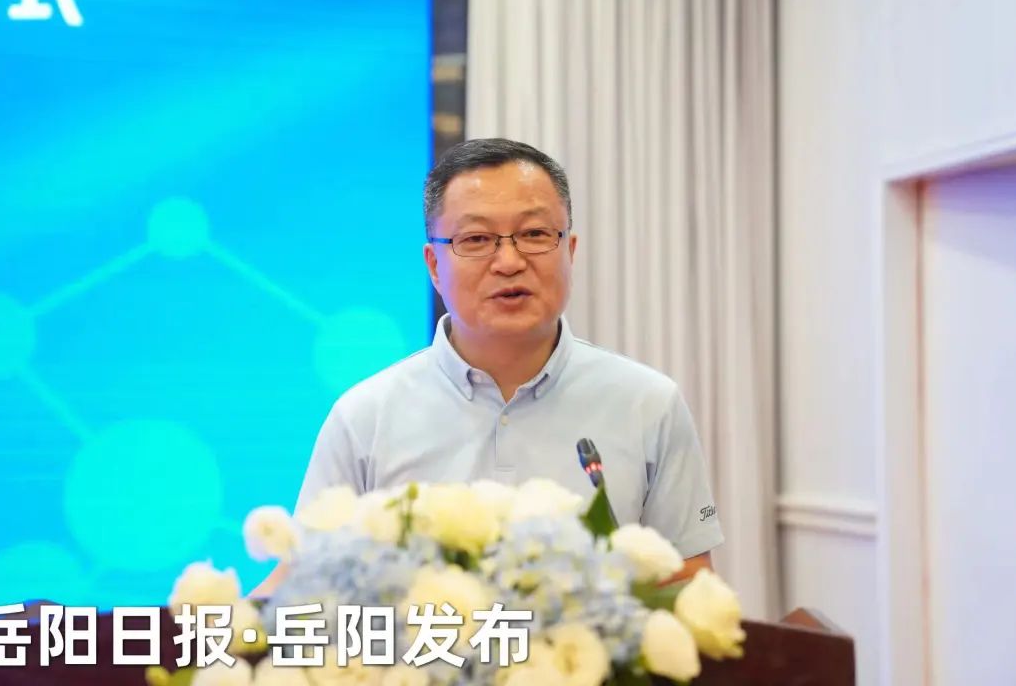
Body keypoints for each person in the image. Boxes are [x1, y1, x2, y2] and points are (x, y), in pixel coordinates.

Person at [255, 138, 722, 595]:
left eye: (535, 234)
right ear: (434, 265)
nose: (509, 262)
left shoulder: (648, 404)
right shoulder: (365, 417)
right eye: (476, 239)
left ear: (570, 250)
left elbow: (686, 586)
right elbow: (299, 583)